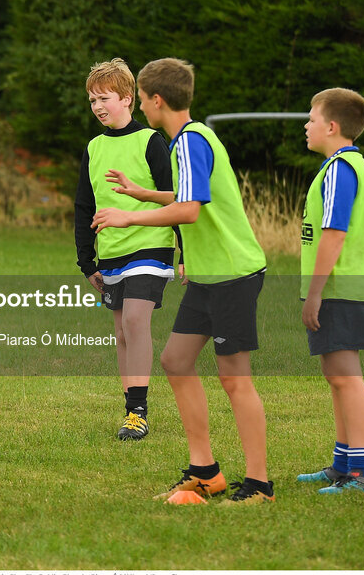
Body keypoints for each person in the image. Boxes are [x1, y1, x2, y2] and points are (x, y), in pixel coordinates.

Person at [92, 57, 273, 504]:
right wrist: (144, 192)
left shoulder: (189, 142)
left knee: (235, 379)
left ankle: (258, 484)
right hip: (209, 277)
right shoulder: (187, 141)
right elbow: (188, 195)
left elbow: (189, 210)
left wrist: (128, 215)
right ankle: (204, 471)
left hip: (233, 273)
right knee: (175, 361)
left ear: (154, 101)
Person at [73, 58, 178, 441]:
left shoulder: (151, 141)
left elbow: (178, 199)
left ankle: (138, 412)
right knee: (121, 331)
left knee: (135, 322)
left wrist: (188, 252)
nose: (98, 106)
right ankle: (130, 405)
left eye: (104, 98)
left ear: (128, 98)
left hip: (152, 246)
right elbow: (84, 206)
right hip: (112, 253)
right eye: (91, 100)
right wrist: (87, 262)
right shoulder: (94, 147)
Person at [296, 88, 364, 494]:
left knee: (347, 377)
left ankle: (362, 473)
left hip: (341, 288)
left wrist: (315, 293)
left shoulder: (340, 170)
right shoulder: (345, 166)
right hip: (346, 287)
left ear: (331, 127)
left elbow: (334, 234)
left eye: (311, 119)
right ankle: (343, 464)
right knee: (337, 376)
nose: (306, 125)